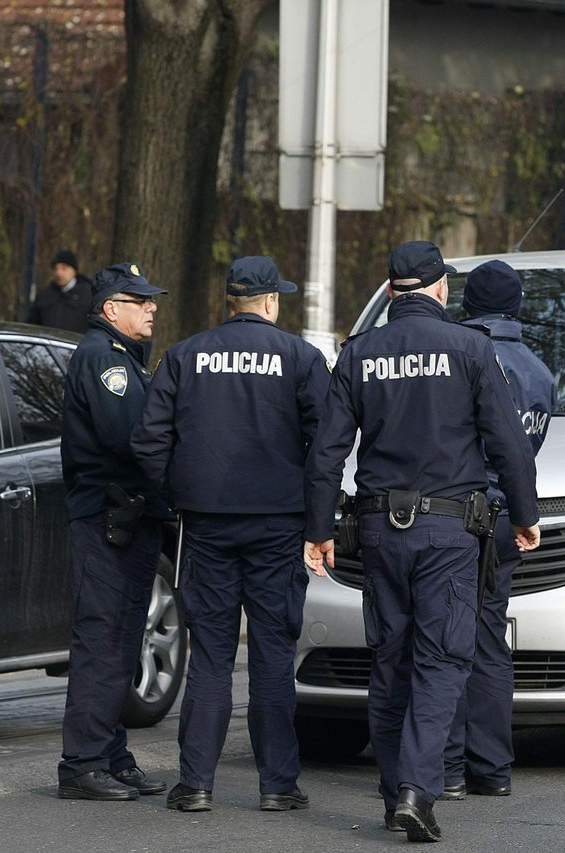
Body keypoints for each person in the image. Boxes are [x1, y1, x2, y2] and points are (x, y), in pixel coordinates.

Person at [302, 241, 541, 843]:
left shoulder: (359, 352)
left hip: (379, 530)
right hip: (450, 530)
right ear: (440, 291)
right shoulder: (471, 348)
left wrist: (319, 530)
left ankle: (393, 791)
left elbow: (327, 451)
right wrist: (524, 515)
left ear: (388, 292)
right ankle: (416, 789)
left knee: (390, 660)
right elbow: (507, 444)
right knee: (441, 662)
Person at [131, 256, 329, 813]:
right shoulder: (301, 358)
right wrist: (316, 521)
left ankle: (195, 783)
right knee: (270, 655)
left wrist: (179, 496)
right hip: (278, 524)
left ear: (229, 302)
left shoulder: (186, 355)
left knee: (212, 656)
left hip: (207, 526)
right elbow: (328, 446)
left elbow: (149, 442)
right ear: (270, 302)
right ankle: (277, 785)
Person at [57, 262, 172, 801]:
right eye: (140, 300)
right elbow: (131, 437)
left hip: (130, 517)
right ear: (111, 309)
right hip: (107, 518)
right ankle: (81, 763)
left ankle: (109, 753)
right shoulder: (105, 359)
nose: (152, 307)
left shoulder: (125, 358)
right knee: (102, 640)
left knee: (124, 641)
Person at [443, 259, 556, 801]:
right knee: (490, 642)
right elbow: (525, 450)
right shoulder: (538, 370)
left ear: (468, 307)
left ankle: (445, 766)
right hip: (506, 518)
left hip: (459, 514)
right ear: (516, 307)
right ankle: (492, 769)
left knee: (444, 641)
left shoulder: (461, 358)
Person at [27, 248, 91, 332]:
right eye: (56, 268)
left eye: (64, 268)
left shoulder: (88, 295)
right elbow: (32, 323)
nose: (59, 273)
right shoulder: (45, 294)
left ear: (74, 271)